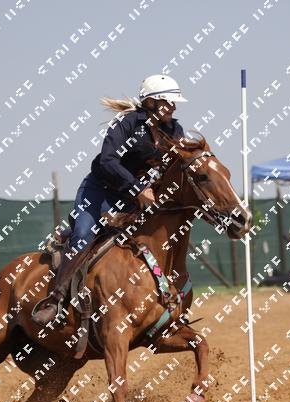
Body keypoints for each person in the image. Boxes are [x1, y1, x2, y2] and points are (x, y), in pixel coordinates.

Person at [32, 75, 187, 326]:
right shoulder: (126, 123)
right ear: (151, 102)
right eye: (168, 102)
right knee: (83, 236)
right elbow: (108, 161)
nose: (174, 107)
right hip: (99, 192)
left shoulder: (175, 131)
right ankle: (56, 299)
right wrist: (138, 188)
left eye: (174, 102)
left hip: (134, 200)